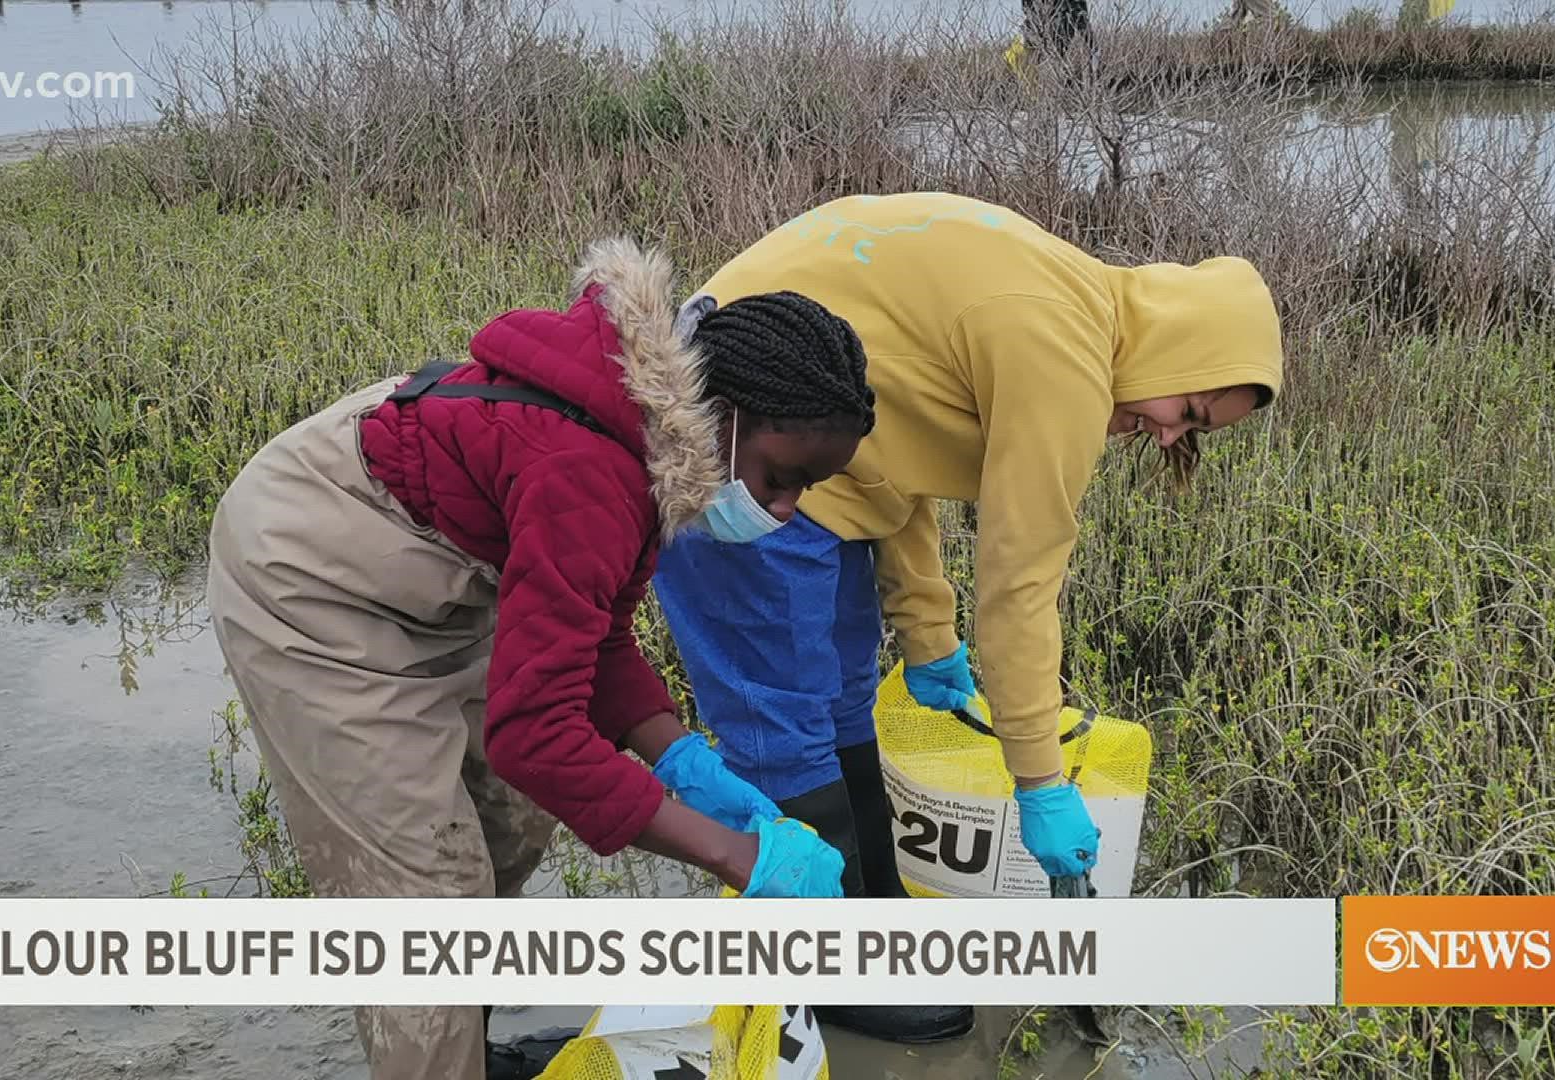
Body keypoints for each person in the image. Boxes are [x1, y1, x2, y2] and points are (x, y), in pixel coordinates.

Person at [203, 237, 876, 1080]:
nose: (782, 510)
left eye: (805, 491)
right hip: (309, 571)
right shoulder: (593, 473)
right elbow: (537, 735)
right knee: (429, 907)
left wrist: (682, 757)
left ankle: (464, 1040)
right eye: (780, 477)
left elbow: (592, 628)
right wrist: (738, 857)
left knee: (513, 819)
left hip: (434, 562)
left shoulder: (657, 442)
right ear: (727, 411)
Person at [651, 192, 1286, 1044]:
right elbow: (1020, 587)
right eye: (1192, 413)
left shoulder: (1075, 303)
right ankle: (819, 969)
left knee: (843, 699)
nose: (1171, 438)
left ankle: (872, 915)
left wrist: (927, 635)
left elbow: (897, 448)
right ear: (1182, 347)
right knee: (784, 725)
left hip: (815, 456)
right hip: (738, 450)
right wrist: (1040, 782)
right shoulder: (1064, 349)